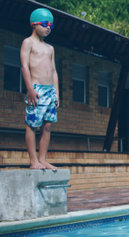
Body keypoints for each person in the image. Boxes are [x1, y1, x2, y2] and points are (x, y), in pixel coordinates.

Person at [21, 8, 59, 170]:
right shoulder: (28, 42)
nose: (48, 27)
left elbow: (54, 71)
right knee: (32, 124)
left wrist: (57, 93)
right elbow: (24, 66)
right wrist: (30, 89)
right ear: (34, 25)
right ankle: (33, 161)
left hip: (50, 91)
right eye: (44, 24)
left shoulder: (50, 48)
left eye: (50, 25)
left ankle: (42, 159)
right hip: (36, 89)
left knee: (48, 125)